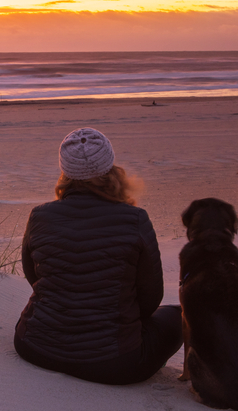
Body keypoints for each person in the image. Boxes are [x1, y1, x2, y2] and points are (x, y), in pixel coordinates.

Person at [14, 127, 182, 385]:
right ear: (111, 168)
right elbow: (151, 298)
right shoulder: (135, 219)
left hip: (35, 347)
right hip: (115, 363)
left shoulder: (39, 215)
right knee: (179, 316)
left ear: (65, 173)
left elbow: (33, 276)